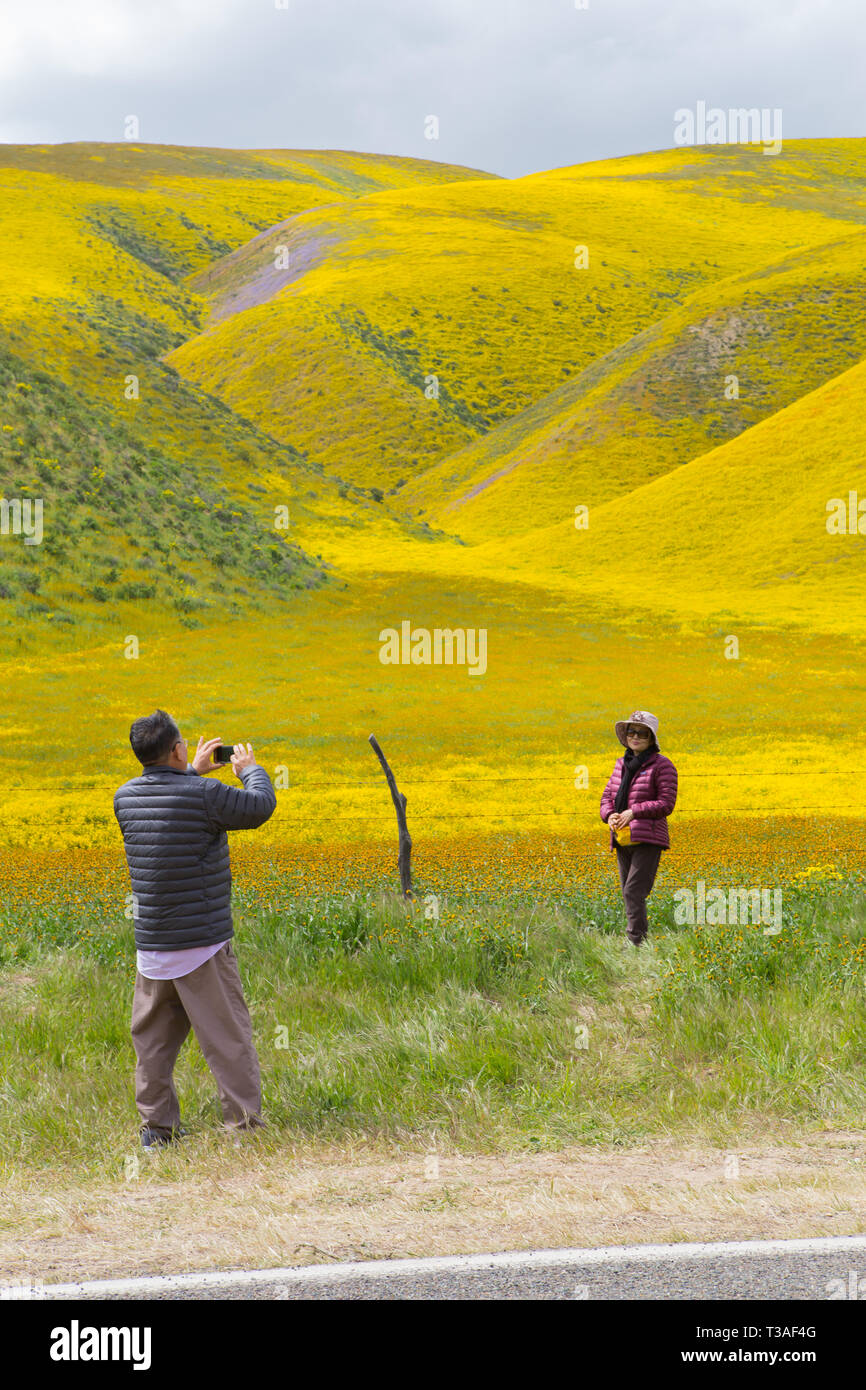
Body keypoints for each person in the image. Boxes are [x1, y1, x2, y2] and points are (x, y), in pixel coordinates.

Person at [113, 710, 276, 1152]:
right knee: (227, 1041)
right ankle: (243, 1128)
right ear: (177, 748)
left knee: (153, 1046)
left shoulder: (124, 798)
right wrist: (250, 771)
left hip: (153, 948)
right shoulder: (203, 794)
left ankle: (156, 1129)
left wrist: (188, 771)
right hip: (202, 947)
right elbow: (259, 808)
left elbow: (167, 799)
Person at [599, 709, 677, 947]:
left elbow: (666, 803)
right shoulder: (620, 764)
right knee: (628, 891)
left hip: (648, 837)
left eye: (642, 734)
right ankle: (638, 942)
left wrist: (634, 811)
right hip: (622, 837)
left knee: (634, 891)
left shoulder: (662, 765)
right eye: (632, 732)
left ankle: (636, 943)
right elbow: (606, 797)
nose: (636, 737)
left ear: (651, 739)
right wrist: (610, 815)